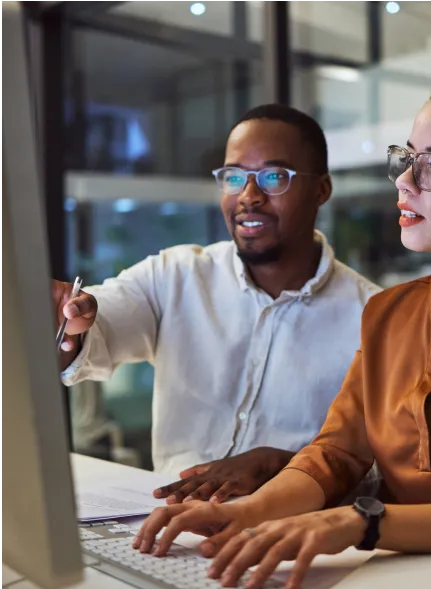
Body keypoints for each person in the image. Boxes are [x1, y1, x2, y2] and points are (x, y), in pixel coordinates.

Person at [133, 54, 431, 589]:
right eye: (406, 158)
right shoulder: (390, 312)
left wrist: (363, 521)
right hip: (400, 575)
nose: (405, 181)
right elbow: (337, 452)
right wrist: (250, 512)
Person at [54, 104, 380, 501]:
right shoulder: (174, 275)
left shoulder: (374, 317)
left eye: (274, 177)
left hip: (291, 533)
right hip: (169, 519)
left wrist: (285, 464)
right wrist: (70, 318)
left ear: (321, 190)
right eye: (234, 176)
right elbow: (99, 327)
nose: (249, 196)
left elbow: (384, 466)